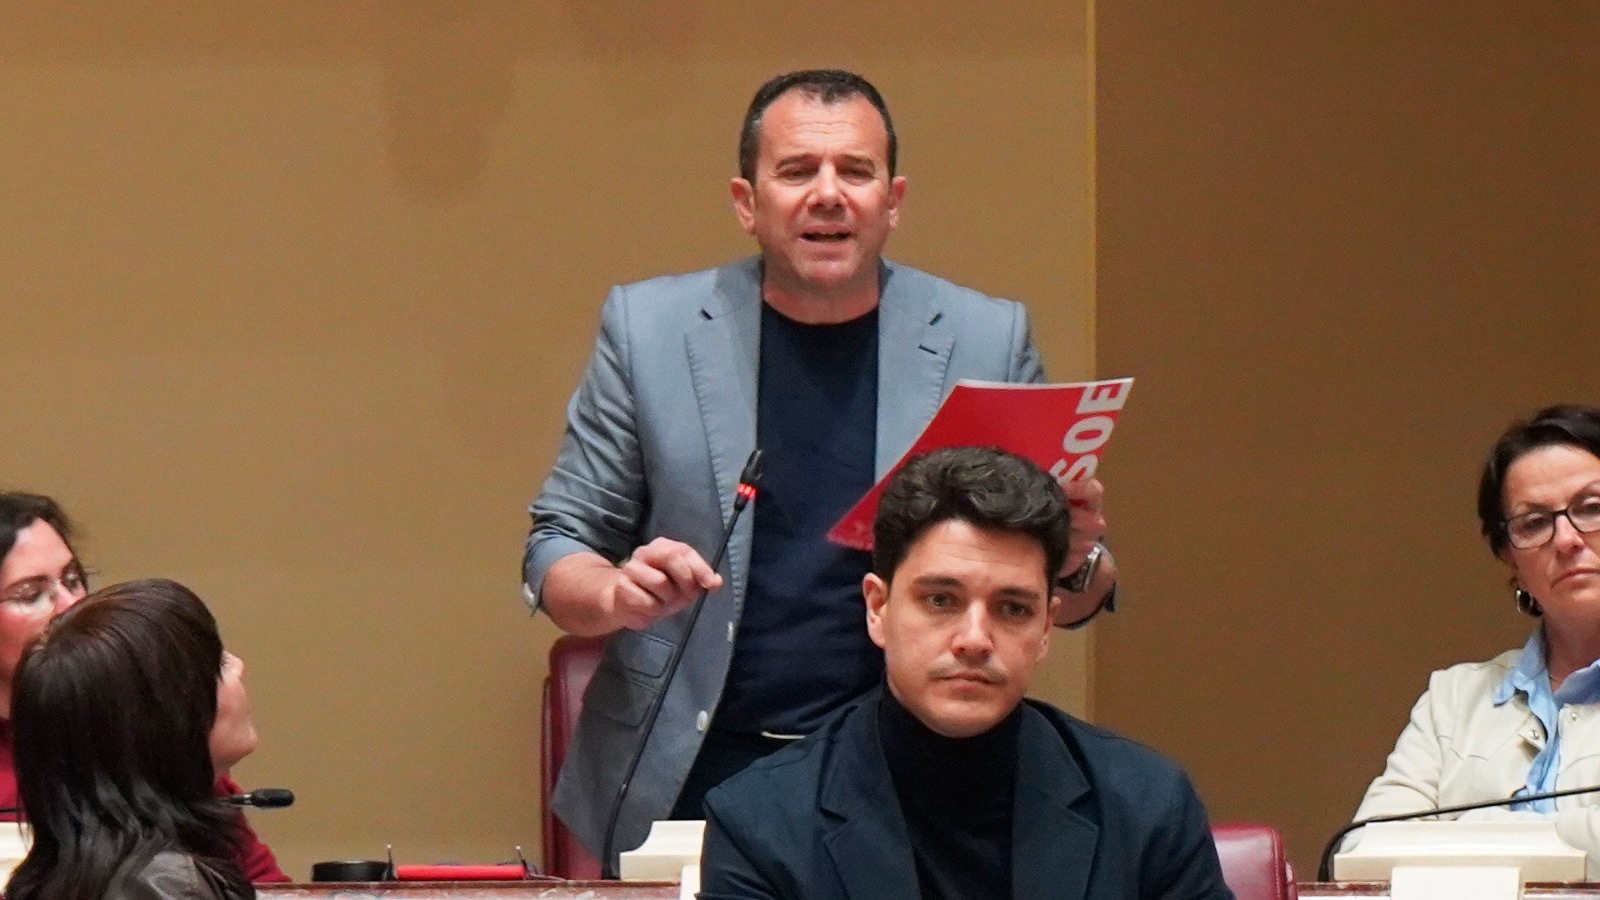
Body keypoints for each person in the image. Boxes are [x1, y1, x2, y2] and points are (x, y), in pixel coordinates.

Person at [523, 68, 1120, 866]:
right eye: (798, 171)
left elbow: (1063, 598)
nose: (829, 195)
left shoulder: (985, 338)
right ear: (748, 202)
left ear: (893, 200)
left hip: (908, 765)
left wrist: (1075, 559)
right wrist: (613, 594)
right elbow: (556, 544)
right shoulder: (649, 330)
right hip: (693, 766)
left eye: (856, 172)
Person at [698, 447, 1229, 899]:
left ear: (1046, 627)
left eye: (1013, 608)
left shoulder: (1148, 807)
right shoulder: (760, 823)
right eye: (940, 600)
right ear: (878, 609)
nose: (975, 639)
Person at [1349, 405, 1600, 876]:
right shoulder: (1454, 698)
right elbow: (1364, 851)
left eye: (1592, 508)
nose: (1566, 540)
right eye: (1534, 522)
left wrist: (1476, 833)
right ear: (1510, 559)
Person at [0, 492, 287, 882]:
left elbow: (260, 882)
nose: (71, 605)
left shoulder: (132, 728)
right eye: (31, 595)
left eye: (73, 580)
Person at [6, 579, 258, 899]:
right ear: (172, 719)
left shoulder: (95, 870)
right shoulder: (162, 886)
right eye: (219, 664)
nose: (239, 667)